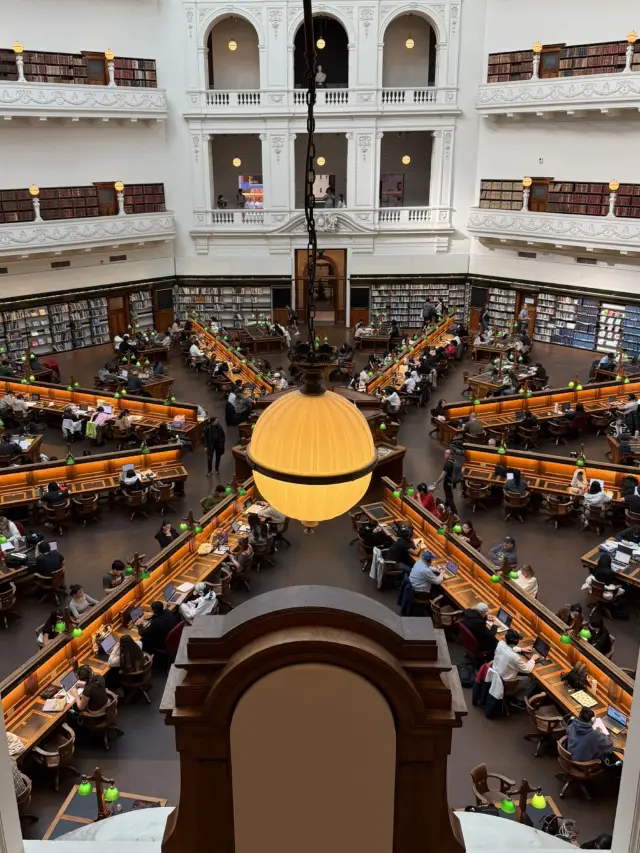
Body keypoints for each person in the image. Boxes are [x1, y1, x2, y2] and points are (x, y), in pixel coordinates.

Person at [492, 628, 537, 700]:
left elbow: (508, 648)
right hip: (506, 683)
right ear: (516, 642)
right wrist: (533, 659)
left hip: (496, 675)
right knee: (531, 680)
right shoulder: (514, 657)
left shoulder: (500, 643)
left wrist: (521, 649)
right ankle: (519, 700)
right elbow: (527, 670)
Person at [432, 449, 459, 515]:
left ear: (451, 455)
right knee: (449, 497)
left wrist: (436, 482)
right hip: (451, 483)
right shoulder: (454, 461)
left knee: (450, 499)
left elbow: (443, 475)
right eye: (445, 453)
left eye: (447, 453)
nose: (445, 455)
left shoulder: (448, 464)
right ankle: (444, 506)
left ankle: (455, 514)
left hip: (447, 483)